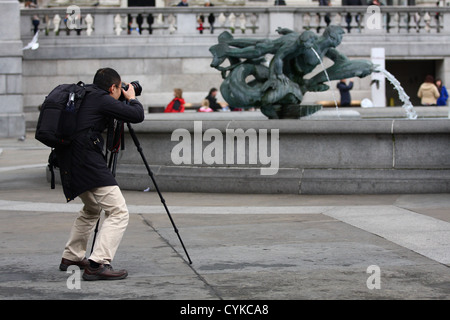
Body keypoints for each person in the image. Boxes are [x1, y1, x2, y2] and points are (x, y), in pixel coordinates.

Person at [58, 67, 145, 281]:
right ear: (112, 87)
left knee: (92, 207)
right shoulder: (103, 99)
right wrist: (132, 97)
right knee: (118, 211)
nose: (121, 91)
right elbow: (137, 115)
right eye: (120, 87)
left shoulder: (84, 94)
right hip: (87, 160)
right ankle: (98, 264)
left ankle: (71, 256)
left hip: (68, 159)